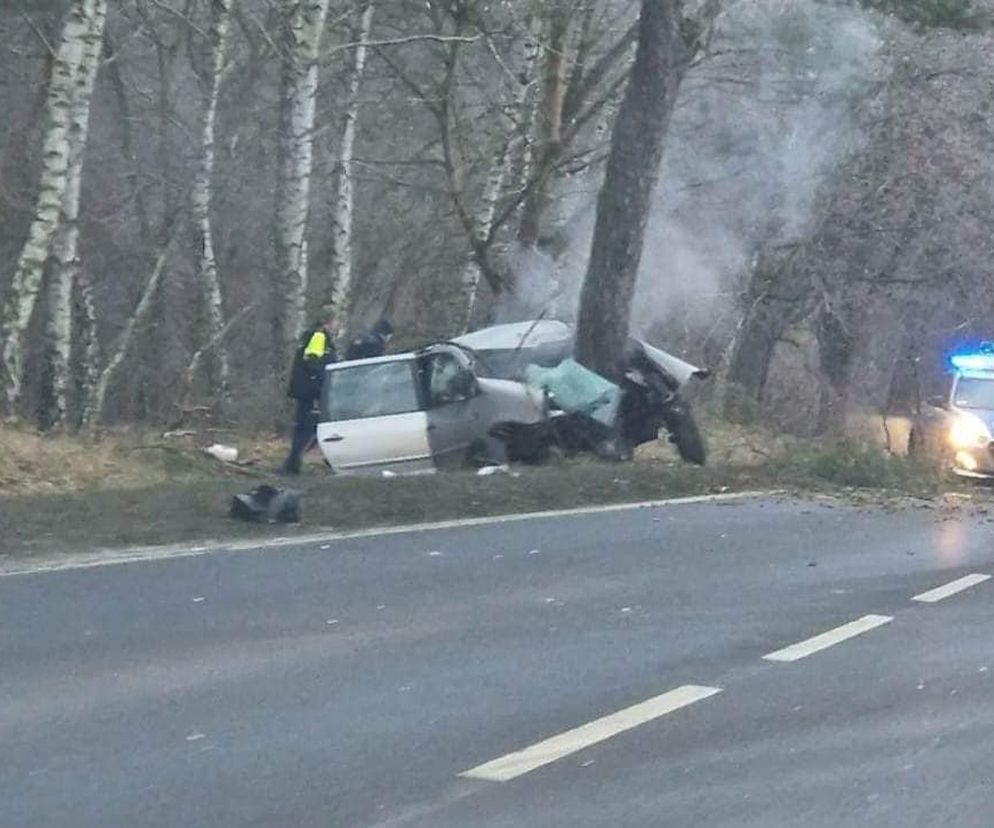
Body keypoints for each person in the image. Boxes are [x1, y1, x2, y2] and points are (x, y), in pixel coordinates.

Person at [280, 307, 337, 474]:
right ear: (329, 321)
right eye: (335, 321)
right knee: (307, 429)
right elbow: (312, 361)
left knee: (304, 428)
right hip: (311, 392)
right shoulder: (319, 336)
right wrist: (320, 383)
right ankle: (293, 465)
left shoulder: (313, 334)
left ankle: (293, 464)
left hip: (304, 390)